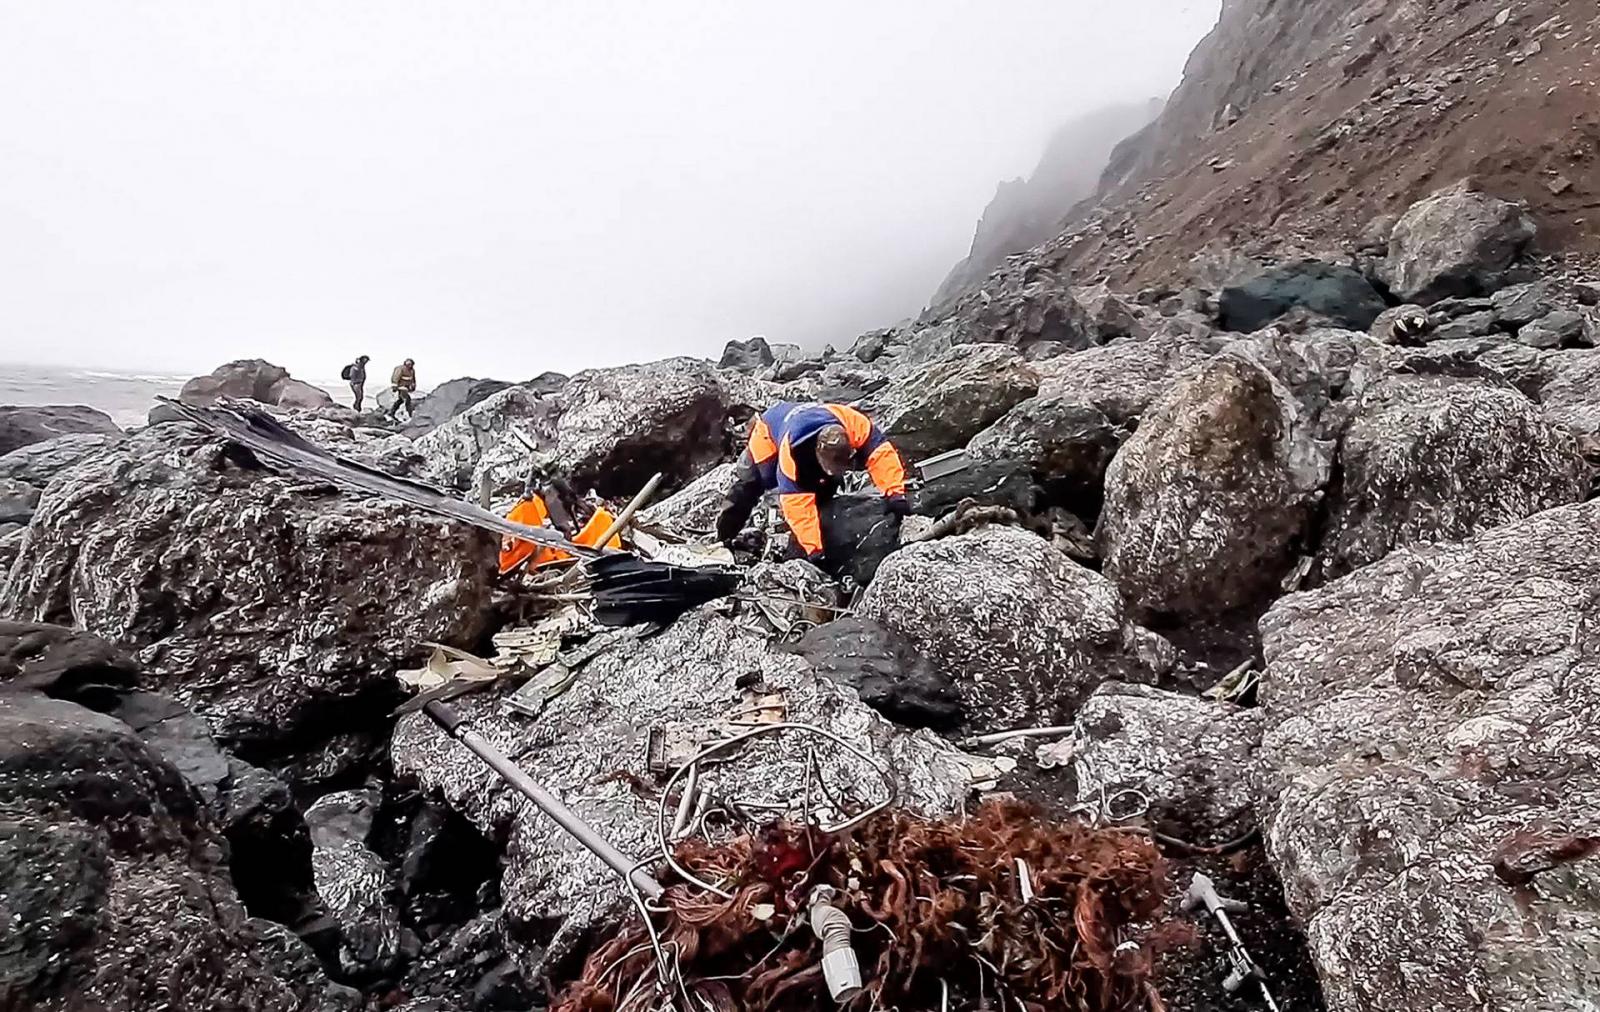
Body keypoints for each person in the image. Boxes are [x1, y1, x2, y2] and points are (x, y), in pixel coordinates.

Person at [715, 401, 909, 566]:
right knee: (753, 482)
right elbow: (796, 503)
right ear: (817, 452)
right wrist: (814, 550)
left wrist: (895, 494)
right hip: (768, 433)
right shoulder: (792, 452)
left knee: (825, 486)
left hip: (806, 419)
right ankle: (723, 536)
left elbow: (881, 454)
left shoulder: (854, 424)